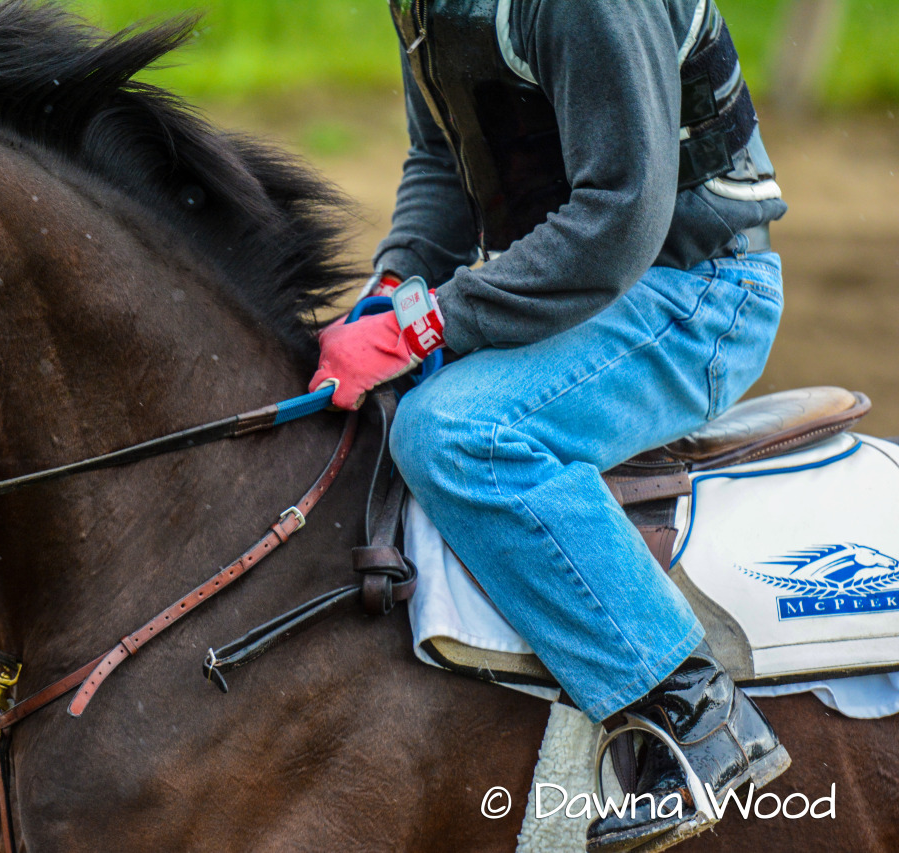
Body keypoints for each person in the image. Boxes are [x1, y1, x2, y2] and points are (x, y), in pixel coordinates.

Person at [309, 1, 789, 850]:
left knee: (454, 432)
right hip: (594, 286)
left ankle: (696, 716)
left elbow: (624, 215)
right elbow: (440, 163)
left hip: (698, 292)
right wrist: (394, 287)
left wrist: (429, 324)